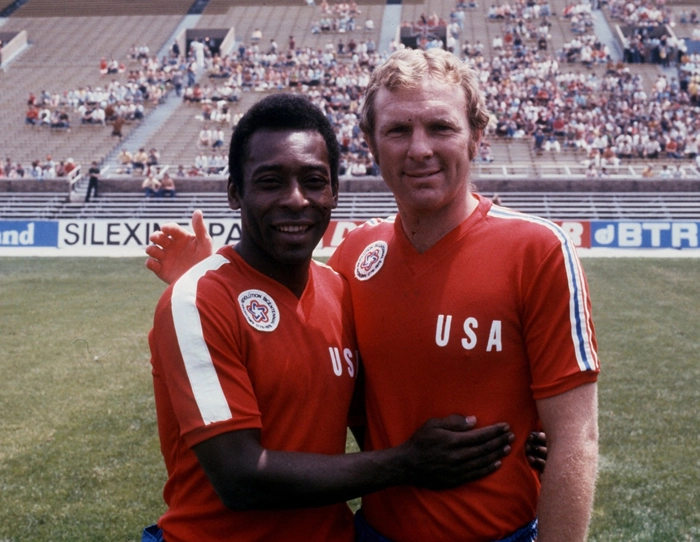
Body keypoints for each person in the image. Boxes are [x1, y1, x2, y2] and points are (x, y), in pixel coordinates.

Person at [148, 49, 594, 542]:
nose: (419, 148)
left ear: (477, 138)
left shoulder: (537, 249)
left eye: (441, 127)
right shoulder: (352, 259)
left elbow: (574, 439)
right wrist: (206, 282)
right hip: (371, 533)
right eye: (398, 130)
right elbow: (293, 338)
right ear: (372, 145)